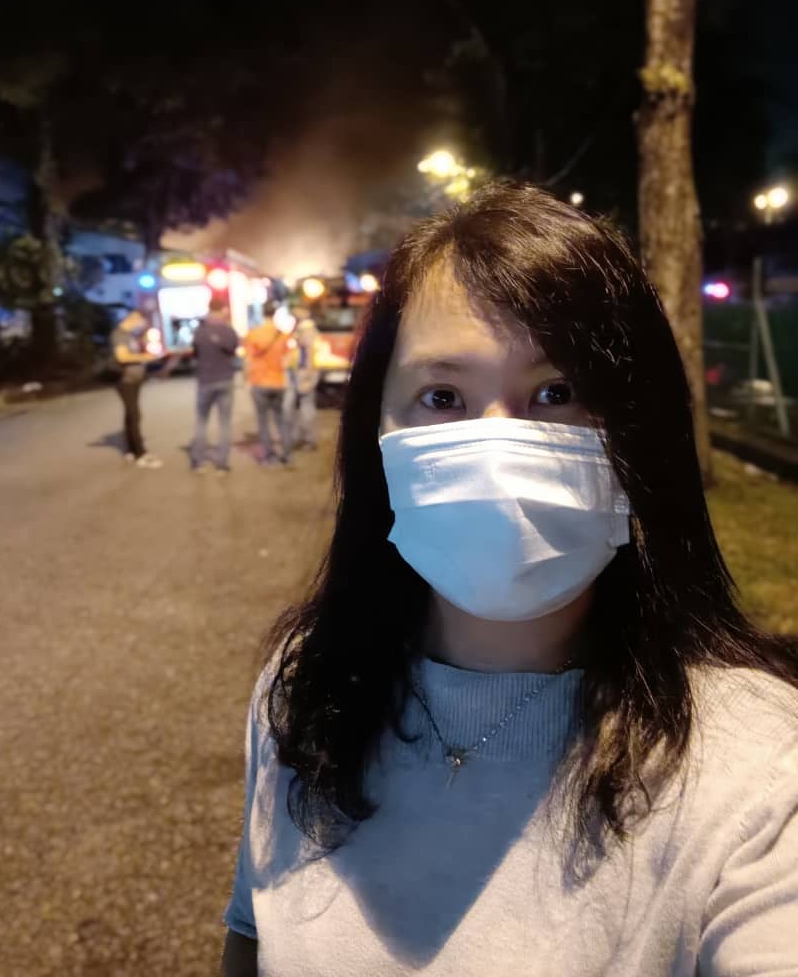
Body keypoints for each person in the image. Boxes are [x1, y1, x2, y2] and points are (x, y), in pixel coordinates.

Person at [221, 183, 798, 977]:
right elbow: (251, 931)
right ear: (376, 438)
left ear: (638, 432)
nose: (496, 448)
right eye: (442, 397)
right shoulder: (305, 689)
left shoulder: (760, 771)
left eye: (557, 393)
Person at [190, 296, 240, 474]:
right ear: (223, 309)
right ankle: (222, 464)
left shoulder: (200, 331)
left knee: (201, 421)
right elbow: (234, 350)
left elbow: (195, 353)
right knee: (224, 423)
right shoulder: (229, 330)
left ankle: (198, 462)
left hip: (205, 380)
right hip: (225, 379)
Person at [110, 310, 163, 469]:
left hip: (134, 380)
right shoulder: (119, 334)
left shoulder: (129, 335)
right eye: (141, 322)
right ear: (134, 318)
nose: (141, 325)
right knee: (134, 415)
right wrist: (146, 357)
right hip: (125, 380)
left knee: (130, 415)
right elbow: (122, 357)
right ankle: (141, 454)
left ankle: (131, 450)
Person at [244, 303, 294, 466]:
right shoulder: (282, 334)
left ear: (262, 313)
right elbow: (289, 359)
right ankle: (287, 455)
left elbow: (248, 360)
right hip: (278, 382)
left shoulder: (253, 334)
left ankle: (269, 456)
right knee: (280, 419)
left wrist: (246, 380)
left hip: (259, 382)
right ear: (274, 314)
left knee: (263, 421)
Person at [284, 308, 319, 451]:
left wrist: (308, 375)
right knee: (292, 407)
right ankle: (297, 438)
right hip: (296, 371)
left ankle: (308, 439)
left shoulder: (307, 328)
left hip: (304, 371)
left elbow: (309, 351)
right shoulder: (299, 328)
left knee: (305, 407)